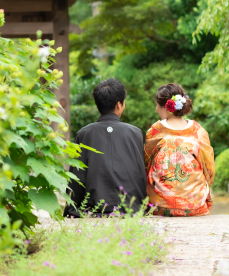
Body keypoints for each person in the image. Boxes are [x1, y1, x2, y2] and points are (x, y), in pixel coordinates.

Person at [65, 78, 147, 216]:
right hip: (131, 207)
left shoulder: (84, 133)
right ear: (119, 104)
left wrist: (72, 208)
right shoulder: (135, 133)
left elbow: (77, 176)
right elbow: (140, 173)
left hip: (94, 209)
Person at [144, 83, 215, 216]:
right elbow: (209, 169)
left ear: (165, 107)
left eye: (157, 105)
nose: (156, 109)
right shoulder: (199, 132)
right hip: (194, 205)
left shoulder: (155, 132)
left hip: (159, 206)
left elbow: (146, 165)